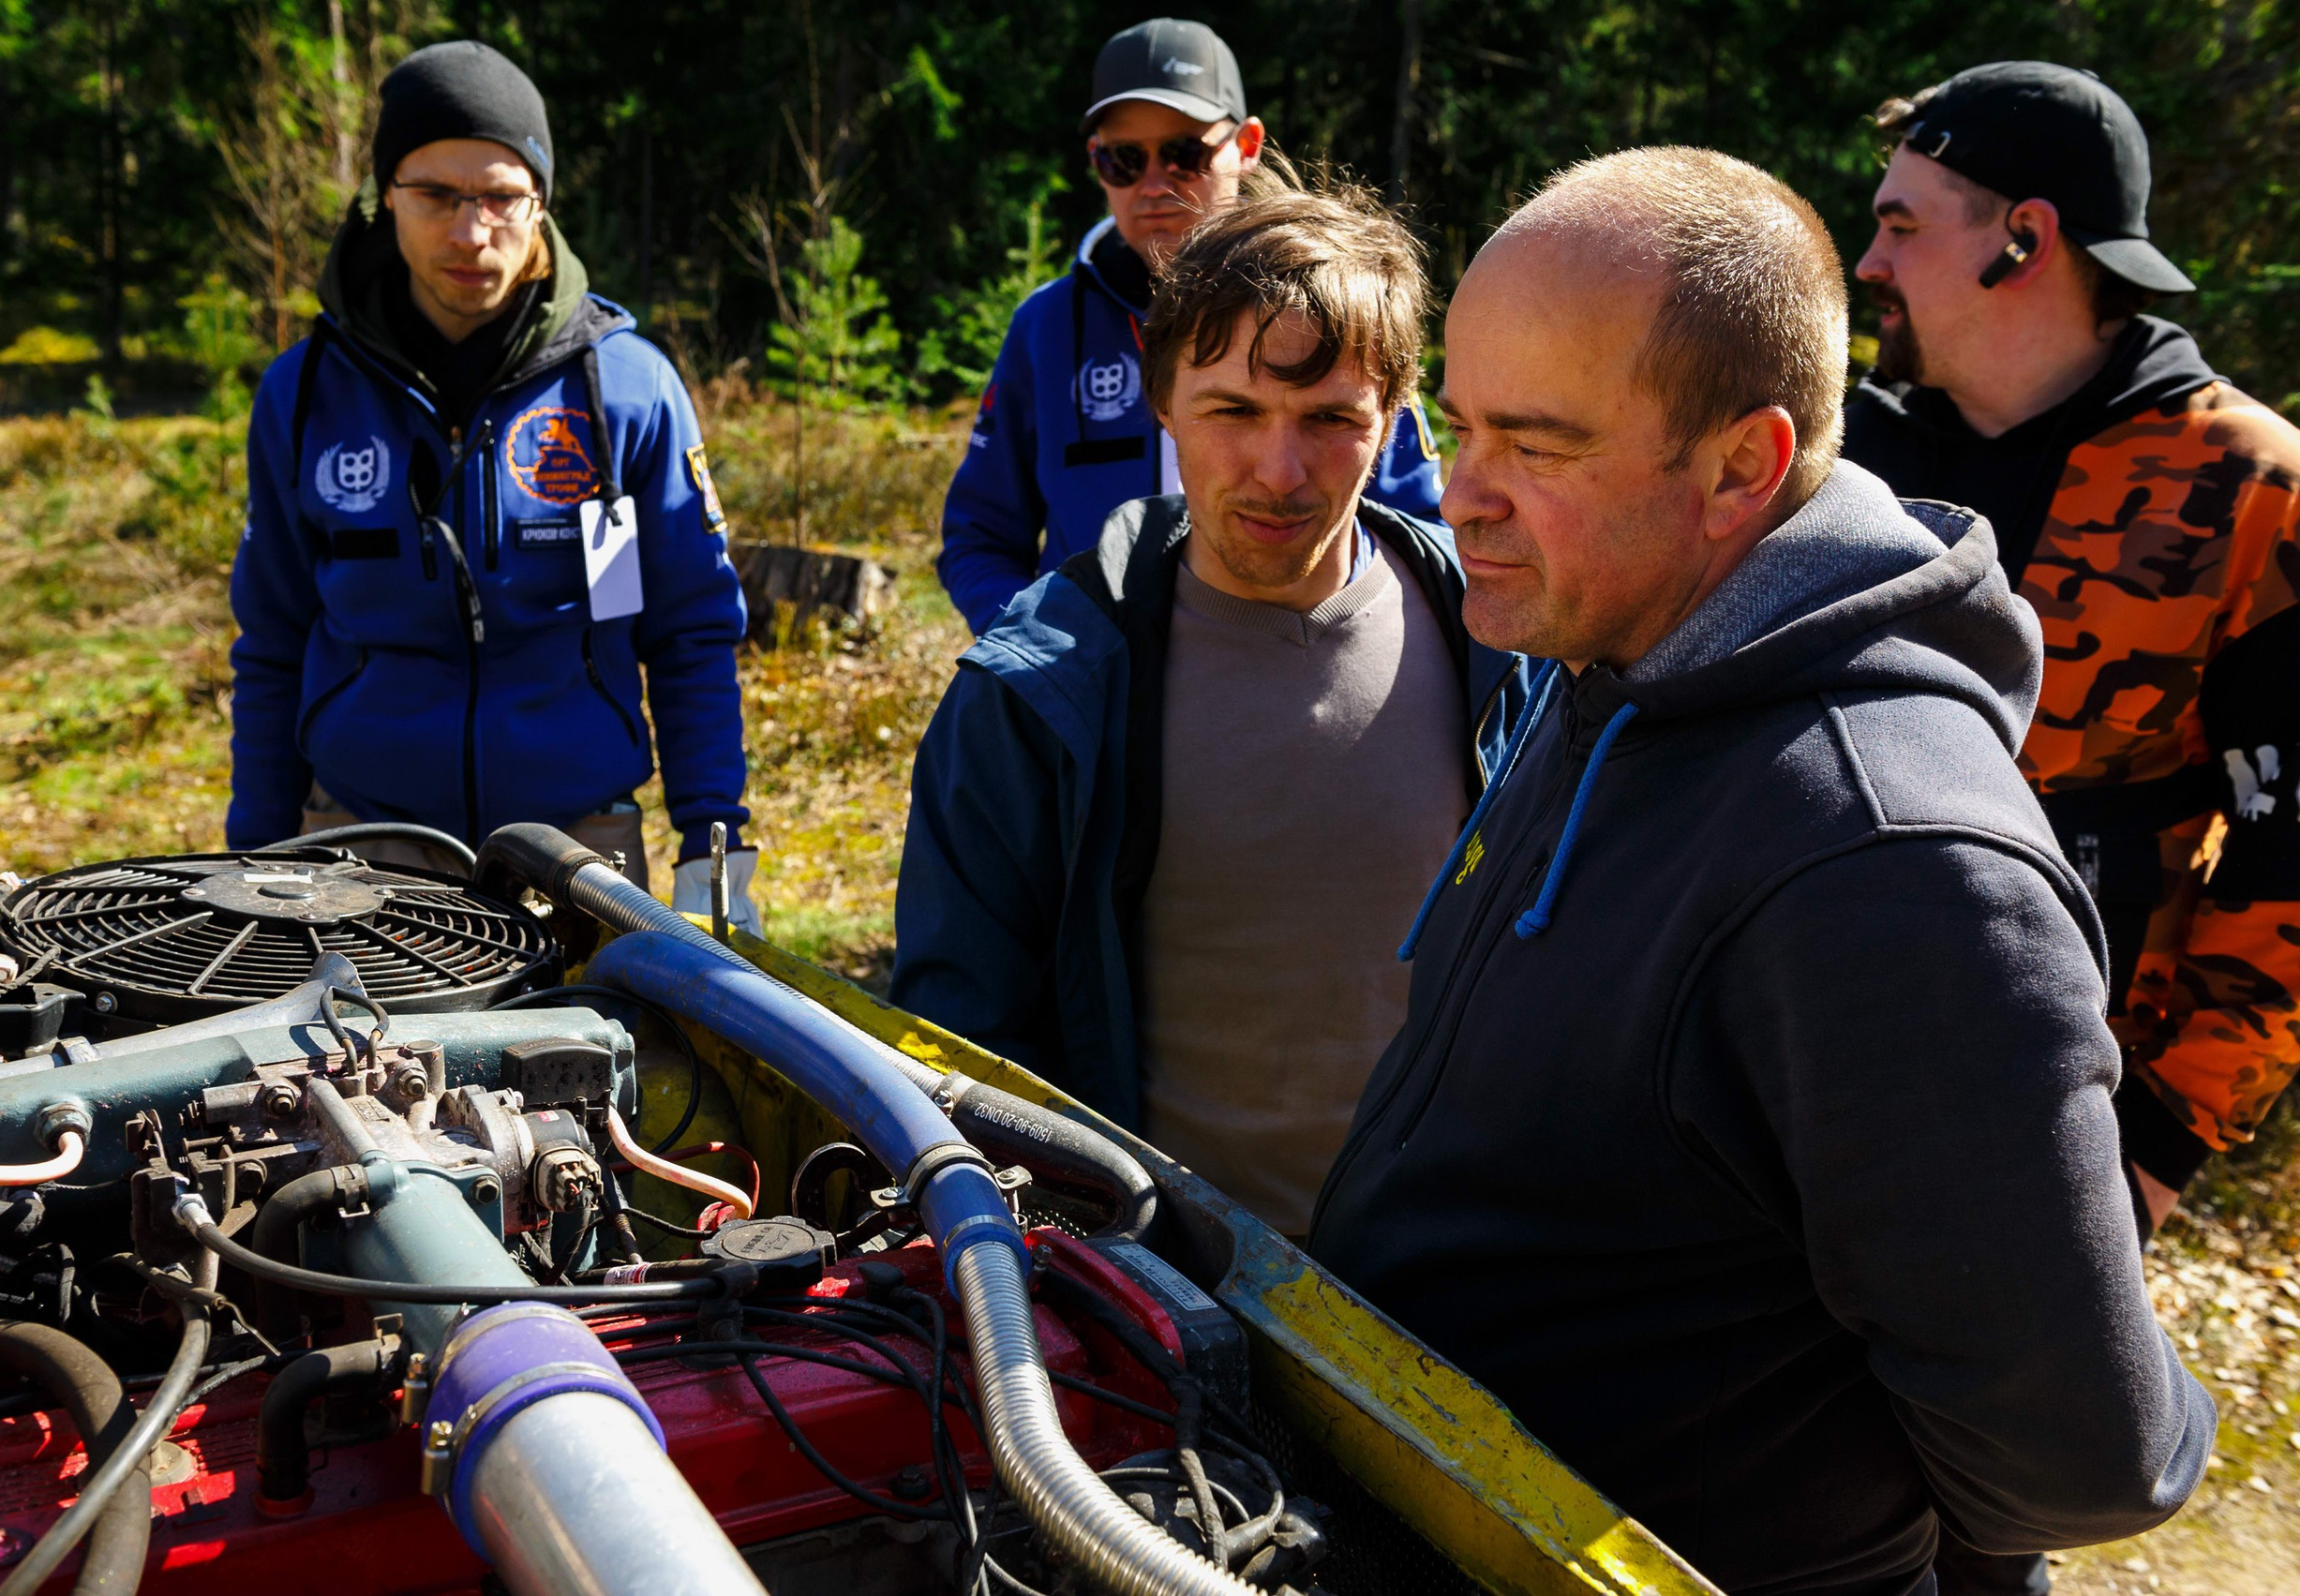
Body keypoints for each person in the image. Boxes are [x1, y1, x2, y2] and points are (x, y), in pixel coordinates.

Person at [1309, 147, 2212, 1596]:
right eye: (1457, 423)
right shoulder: (1620, 652)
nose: (1461, 491)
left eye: (1535, 446)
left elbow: (2078, 1454)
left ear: (1744, 466)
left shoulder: (1889, 861)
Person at [892, 176, 1521, 1237]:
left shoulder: (1509, 650)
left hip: (1449, 1286)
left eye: (1329, 419)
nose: (1279, 471)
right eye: (1233, 410)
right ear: (1161, 400)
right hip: (1159, 1303)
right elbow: (959, 1060)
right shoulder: (1031, 697)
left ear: (1397, 416)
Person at [1844, 63, 2300, 1248]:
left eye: (1900, 224)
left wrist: (2157, 1148)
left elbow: (2290, 857)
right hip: (1793, 1055)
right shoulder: (1838, 460)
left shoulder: (2253, 490)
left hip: (2055, 1117)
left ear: (2023, 240)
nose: (1868, 263)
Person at [227, 41, 758, 927]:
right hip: (355, 851)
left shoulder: (624, 388)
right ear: (384, 197)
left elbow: (691, 631)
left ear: (541, 204)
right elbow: (272, 643)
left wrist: (717, 854)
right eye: (436, 196)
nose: (471, 234)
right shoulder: (303, 393)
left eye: (502, 198)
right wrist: (252, 855)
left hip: (583, 857)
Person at [936, 17, 1446, 636]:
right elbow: (979, 537)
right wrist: (1038, 656)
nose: (1154, 185)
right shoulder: (1045, 328)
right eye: (1123, 159)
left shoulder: (1336, 306)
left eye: (1184, 154)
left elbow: (1421, 530)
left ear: (1247, 145)